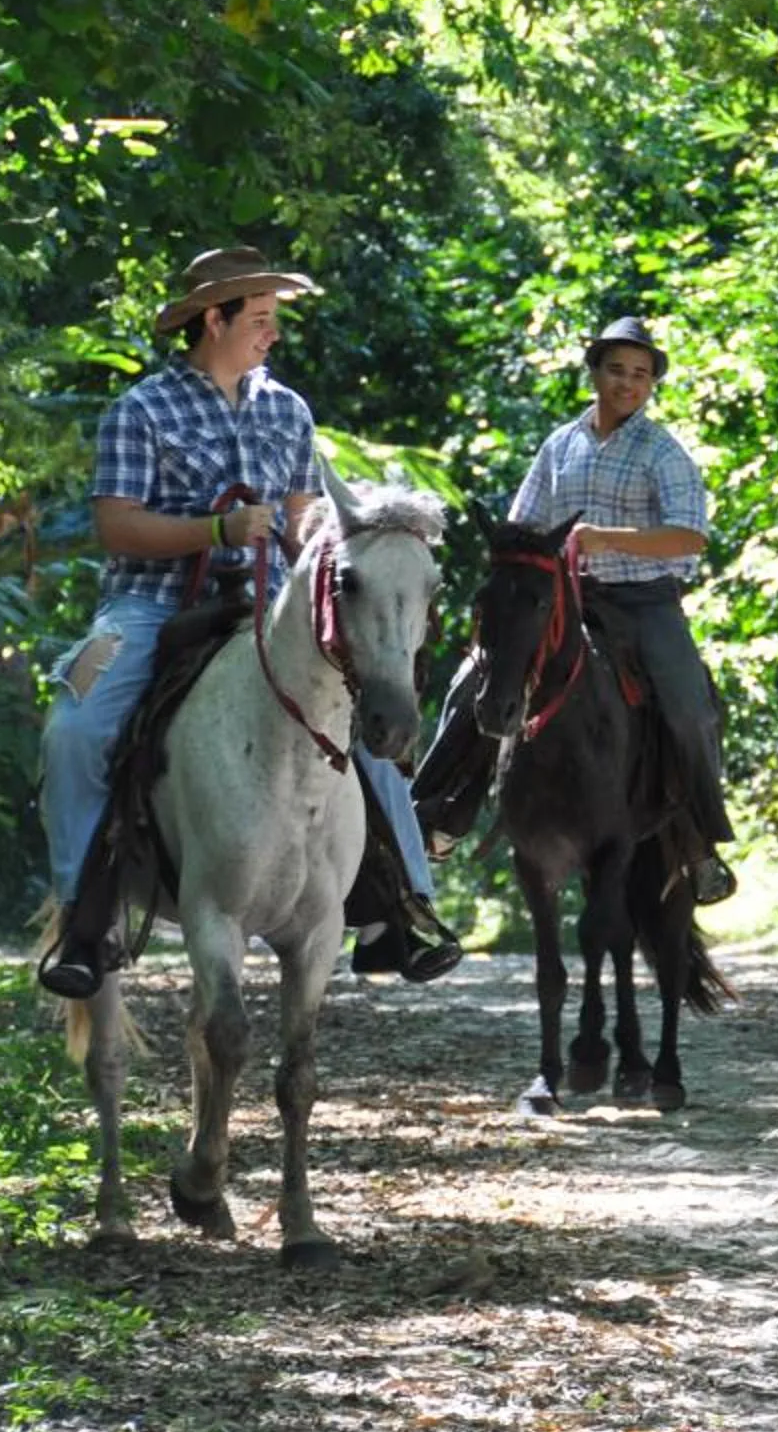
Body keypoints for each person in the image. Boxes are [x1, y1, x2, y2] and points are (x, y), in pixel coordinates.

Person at [36, 248, 461, 998]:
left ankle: (404, 906)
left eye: (272, 320)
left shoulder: (287, 410)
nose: (272, 335)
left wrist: (330, 554)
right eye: (260, 320)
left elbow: (301, 523)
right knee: (75, 726)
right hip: (151, 603)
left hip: (271, 605)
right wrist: (217, 531)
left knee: (372, 707)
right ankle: (83, 916)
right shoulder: (140, 411)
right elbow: (117, 528)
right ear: (214, 319)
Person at [416, 316, 735, 904]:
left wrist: (606, 538)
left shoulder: (661, 450)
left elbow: (690, 538)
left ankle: (699, 845)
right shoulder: (559, 445)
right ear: (594, 373)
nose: (628, 383)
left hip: (643, 603)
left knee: (689, 705)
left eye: (641, 374)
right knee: (476, 678)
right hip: (562, 596)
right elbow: (525, 523)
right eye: (616, 370)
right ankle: (438, 813)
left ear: (651, 385)